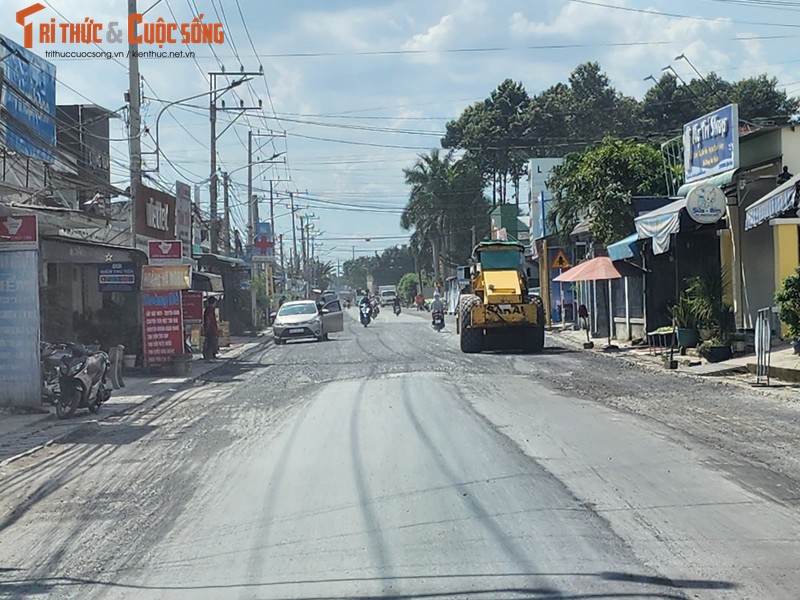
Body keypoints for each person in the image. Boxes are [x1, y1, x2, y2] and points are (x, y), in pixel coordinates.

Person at [203, 296, 219, 361]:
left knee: (213, 343)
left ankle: (212, 355)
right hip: (210, 329)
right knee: (210, 343)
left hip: (212, 329)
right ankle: (209, 357)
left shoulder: (210, 309)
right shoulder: (209, 310)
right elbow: (208, 319)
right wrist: (207, 328)